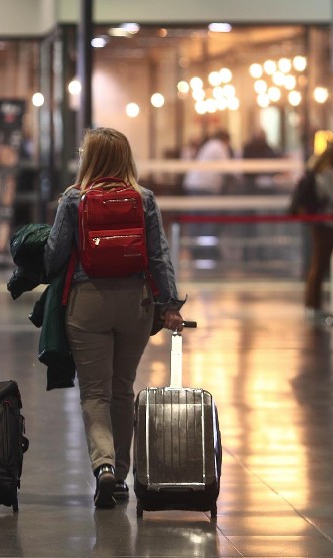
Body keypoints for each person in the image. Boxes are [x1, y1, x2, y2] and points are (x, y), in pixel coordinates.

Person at [44, 127, 185, 509]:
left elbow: (54, 257)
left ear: (88, 159)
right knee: (122, 388)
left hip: (88, 302)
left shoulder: (74, 199)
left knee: (94, 392)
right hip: (134, 303)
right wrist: (169, 305)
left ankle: (103, 466)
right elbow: (159, 256)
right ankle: (120, 476)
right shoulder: (144, 199)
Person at [304, 138, 333, 317]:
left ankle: (313, 302)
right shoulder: (328, 172)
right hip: (325, 222)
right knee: (320, 262)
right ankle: (313, 303)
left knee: (318, 262)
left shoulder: (321, 169)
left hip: (321, 221)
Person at [183, 129, 232, 195]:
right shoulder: (218, 146)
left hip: (195, 184)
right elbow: (227, 167)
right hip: (204, 186)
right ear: (226, 140)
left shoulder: (210, 144)